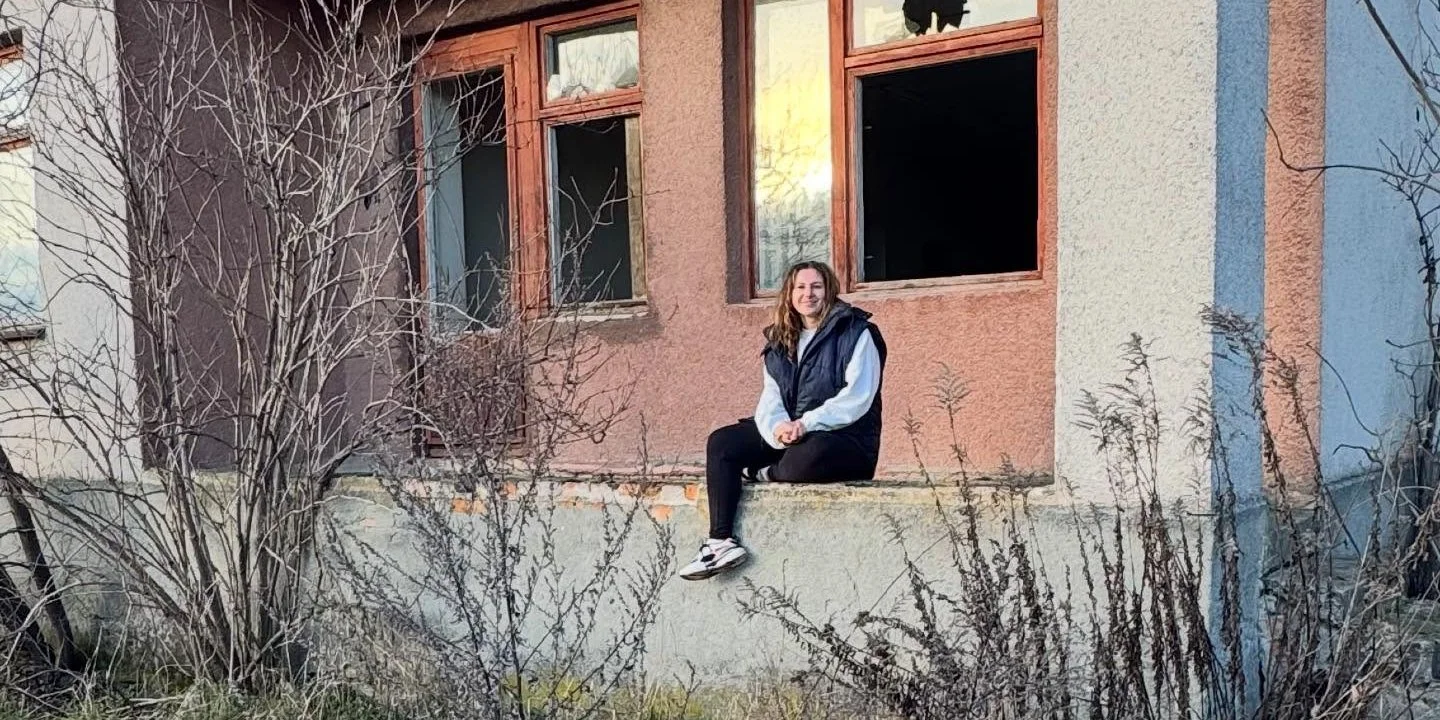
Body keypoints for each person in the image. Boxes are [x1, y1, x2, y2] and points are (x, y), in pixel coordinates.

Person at [679, 260, 887, 581]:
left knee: (812, 454)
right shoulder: (780, 340)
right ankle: (720, 542)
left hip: (844, 439)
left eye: (816, 286)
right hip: (791, 434)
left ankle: (763, 473)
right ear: (790, 294)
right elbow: (771, 397)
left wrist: (807, 423)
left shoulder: (857, 333)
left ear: (829, 290)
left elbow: (857, 397)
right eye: (800, 287)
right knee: (722, 443)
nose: (808, 294)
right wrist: (777, 428)